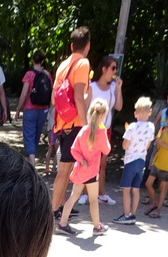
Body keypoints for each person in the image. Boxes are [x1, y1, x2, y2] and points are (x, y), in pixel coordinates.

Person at [51, 25, 92, 218]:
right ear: (88, 46)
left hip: (62, 122)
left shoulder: (63, 65)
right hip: (74, 124)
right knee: (65, 168)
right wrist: (85, 125)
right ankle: (53, 211)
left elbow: (53, 99)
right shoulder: (83, 64)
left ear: (71, 45)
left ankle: (60, 205)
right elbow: (78, 96)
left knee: (66, 168)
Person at [57, 97, 111, 236]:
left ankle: (62, 223)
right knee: (93, 200)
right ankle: (97, 226)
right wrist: (104, 132)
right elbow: (107, 150)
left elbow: (74, 149)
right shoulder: (101, 132)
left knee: (73, 196)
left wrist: (81, 160)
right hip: (92, 172)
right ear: (103, 115)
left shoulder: (83, 130)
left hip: (81, 170)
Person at [85, 55, 123, 204]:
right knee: (87, 161)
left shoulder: (113, 87)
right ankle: (84, 193)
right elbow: (86, 106)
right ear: (104, 69)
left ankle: (101, 194)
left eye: (116, 68)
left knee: (102, 164)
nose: (115, 71)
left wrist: (119, 89)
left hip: (105, 130)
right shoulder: (92, 87)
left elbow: (119, 106)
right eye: (113, 68)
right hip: (91, 129)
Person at [113, 96, 155, 224]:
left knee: (126, 189)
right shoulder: (151, 127)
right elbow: (148, 145)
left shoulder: (132, 127)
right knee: (135, 189)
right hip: (141, 161)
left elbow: (125, 145)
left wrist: (127, 134)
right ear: (150, 112)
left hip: (130, 160)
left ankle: (126, 215)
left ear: (136, 113)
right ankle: (133, 214)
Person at [14, 50, 53, 163]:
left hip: (30, 109)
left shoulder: (29, 74)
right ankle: (32, 159)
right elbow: (51, 92)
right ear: (43, 61)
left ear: (33, 60)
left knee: (29, 136)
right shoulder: (48, 75)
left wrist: (18, 109)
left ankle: (32, 163)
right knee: (36, 137)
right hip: (43, 110)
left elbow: (24, 93)